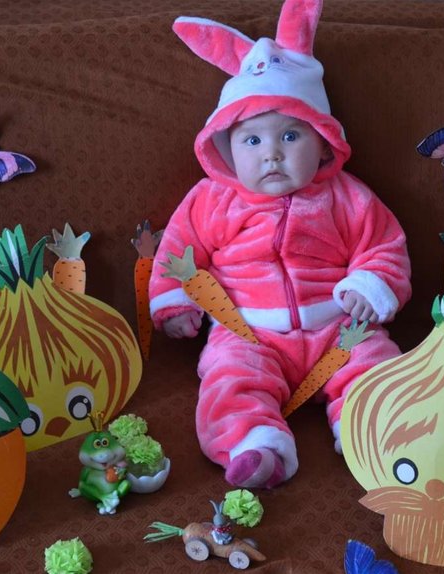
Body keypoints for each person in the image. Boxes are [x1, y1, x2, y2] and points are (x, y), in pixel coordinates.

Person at [150, 0, 411, 489]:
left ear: (324, 141)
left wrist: (370, 284)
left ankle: (379, 436)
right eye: (252, 141)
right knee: (228, 380)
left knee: (377, 368)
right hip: (248, 332)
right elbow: (177, 252)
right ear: (226, 148)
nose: (271, 154)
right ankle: (255, 446)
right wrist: (174, 302)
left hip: (338, 327)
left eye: (290, 136)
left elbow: (385, 246)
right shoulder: (211, 200)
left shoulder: (348, 197)